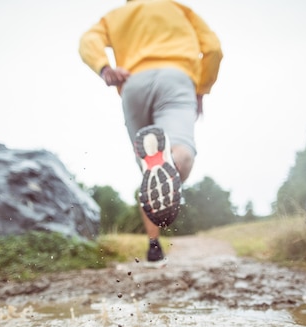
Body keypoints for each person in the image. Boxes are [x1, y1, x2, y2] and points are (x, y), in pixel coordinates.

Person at [79, 0, 223, 264]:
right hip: (176, 80)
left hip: (132, 82)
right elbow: (213, 48)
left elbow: (88, 40)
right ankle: (171, 162)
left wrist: (105, 68)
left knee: (149, 171)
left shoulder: (117, 15)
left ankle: (154, 245)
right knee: (180, 151)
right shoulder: (180, 10)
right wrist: (202, 88)